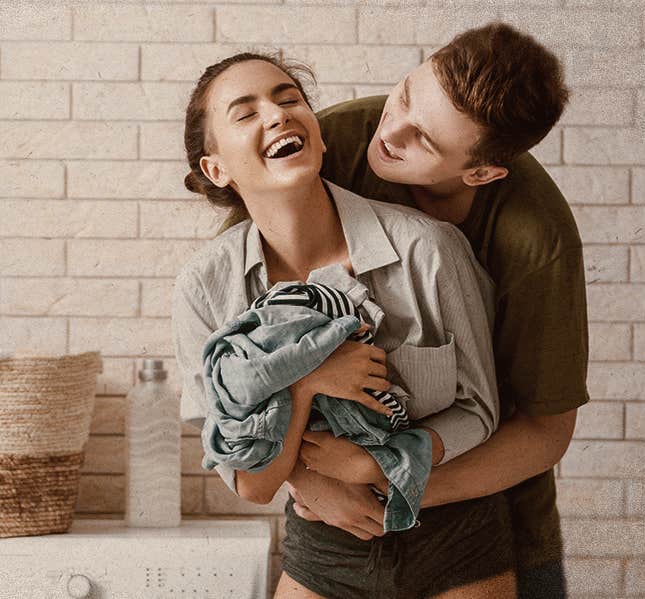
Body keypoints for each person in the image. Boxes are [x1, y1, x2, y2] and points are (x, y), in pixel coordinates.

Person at [257, 23, 587, 598]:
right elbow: (235, 328)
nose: (391, 131)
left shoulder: (537, 239)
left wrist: (386, 479)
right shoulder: (329, 143)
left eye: (425, 141)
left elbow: (544, 432)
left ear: (480, 173)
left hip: (488, 509)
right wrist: (310, 481)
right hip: (329, 510)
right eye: (407, 93)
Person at [172, 52, 517, 598]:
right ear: (216, 168)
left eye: (289, 100)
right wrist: (307, 380)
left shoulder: (429, 251)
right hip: (324, 545)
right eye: (246, 112)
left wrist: (374, 466)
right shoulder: (205, 289)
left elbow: (480, 411)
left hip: (457, 543)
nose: (279, 114)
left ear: (320, 135)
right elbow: (248, 480)